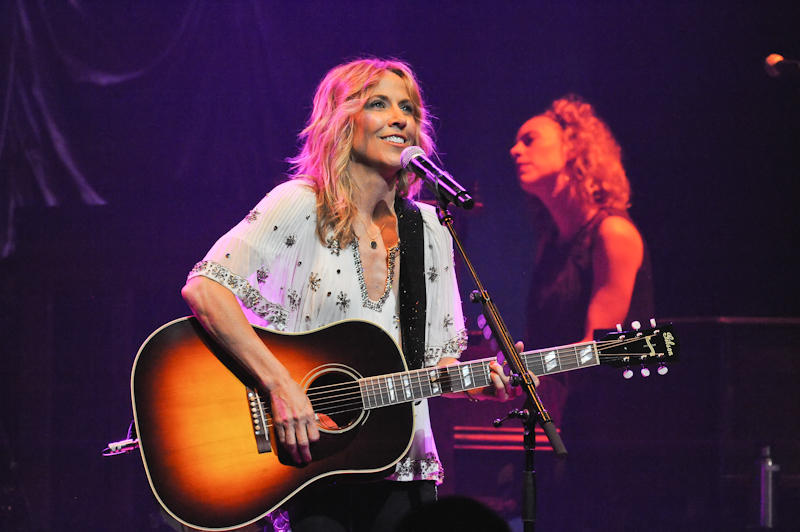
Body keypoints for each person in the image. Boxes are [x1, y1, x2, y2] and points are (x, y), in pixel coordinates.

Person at [181, 57, 529, 532]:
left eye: (408, 108)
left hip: (403, 469)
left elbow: (433, 364)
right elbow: (205, 290)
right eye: (378, 104)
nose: (400, 118)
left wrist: (477, 381)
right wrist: (280, 385)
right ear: (341, 122)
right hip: (313, 470)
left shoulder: (430, 228)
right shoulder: (301, 204)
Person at [510, 96, 654, 531]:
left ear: (574, 147)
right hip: (563, 432)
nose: (515, 151)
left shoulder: (613, 233)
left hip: (608, 443)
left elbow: (598, 354)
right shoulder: (551, 244)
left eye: (530, 140)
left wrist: (538, 378)